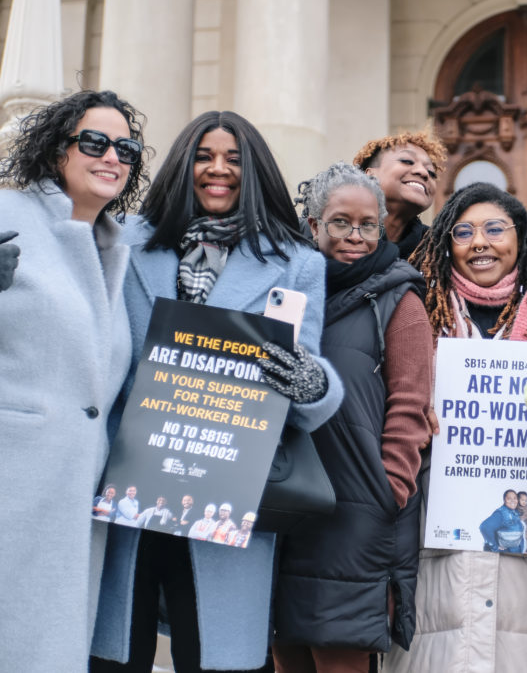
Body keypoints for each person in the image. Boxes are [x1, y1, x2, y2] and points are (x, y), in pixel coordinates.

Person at [90, 111, 343, 673]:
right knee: (113, 654)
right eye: (205, 156)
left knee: (213, 657)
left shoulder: (296, 264)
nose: (218, 169)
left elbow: (311, 384)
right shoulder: (124, 240)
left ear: (254, 172)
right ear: (184, 166)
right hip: (129, 482)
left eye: (233, 158)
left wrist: (308, 381)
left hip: (226, 492)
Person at [383, 182, 527, 673]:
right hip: (435, 547)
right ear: (444, 243)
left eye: (495, 229)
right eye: (464, 231)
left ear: (522, 237)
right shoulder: (410, 317)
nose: (480, 242)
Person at [0, 89, 148, 672]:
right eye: (94, 142)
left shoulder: (113, 244)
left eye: (127, 148)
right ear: (55, 150)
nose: (112, 156)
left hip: (74, 495)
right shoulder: (8, 213)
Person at [273, 161, 432, 673]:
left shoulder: (400, 300)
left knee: (339, 655)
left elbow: (411, 406)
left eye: (368, 225)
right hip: (282, 504)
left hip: (358, 513)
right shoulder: (286, 294)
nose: (356, 237)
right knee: (287, 655)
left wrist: (390, 487)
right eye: (341, 222)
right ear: (314, 225)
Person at [353, 129, 447, 259]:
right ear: (370, 175)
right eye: (407, 161)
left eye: (431, 172)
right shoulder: (328, 235)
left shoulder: (438, 252)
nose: (424, 173)